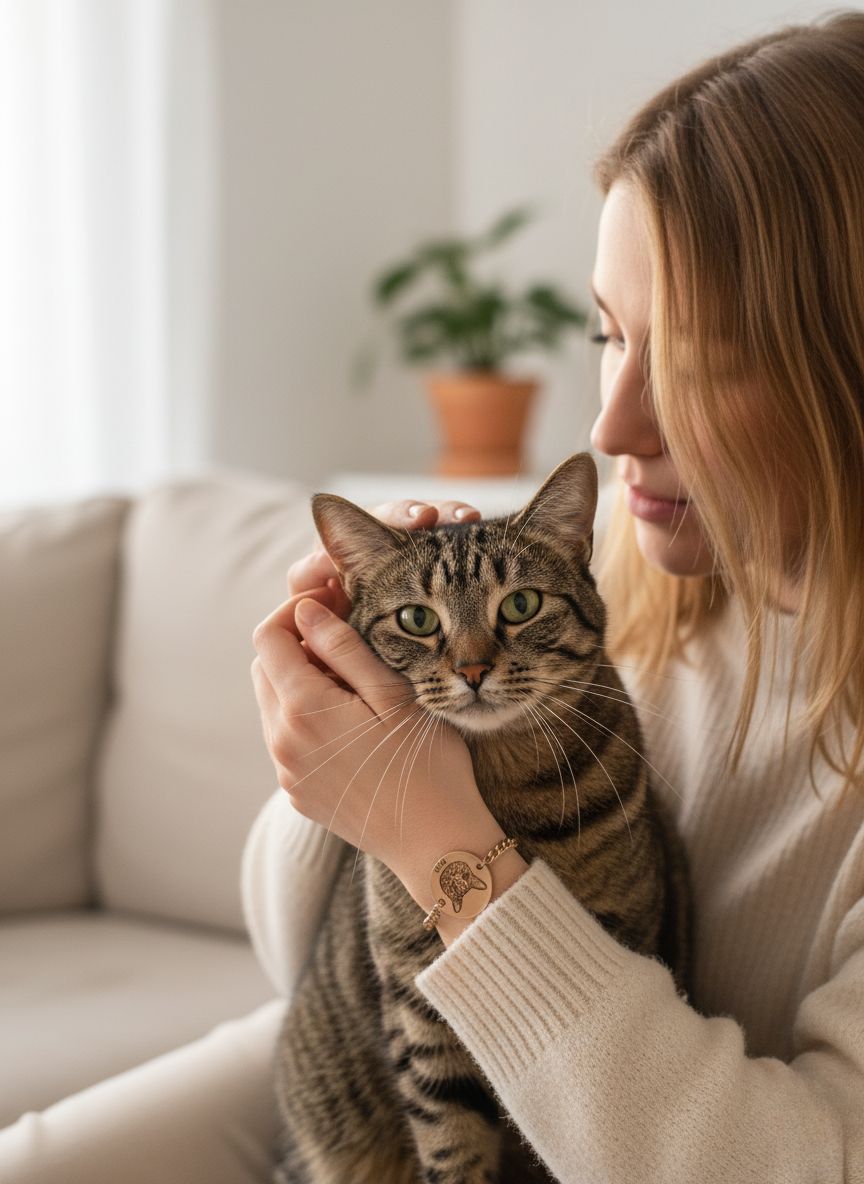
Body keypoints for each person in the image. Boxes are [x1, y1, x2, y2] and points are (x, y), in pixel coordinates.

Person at [3, 9, 863, 1182]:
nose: (612, 426)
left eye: (702, 357)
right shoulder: (619, 585)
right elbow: (314, 959)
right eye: (609, 337)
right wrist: (352, 740)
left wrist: (445, 842)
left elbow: (793, 1163)